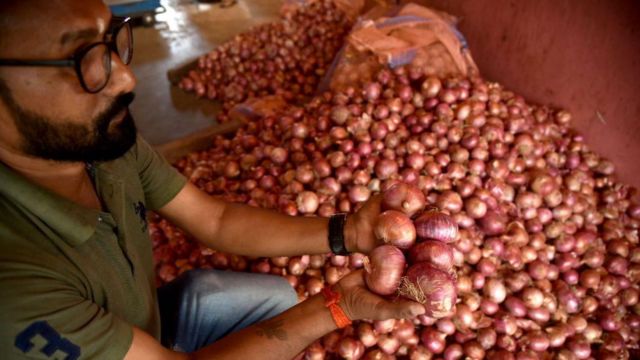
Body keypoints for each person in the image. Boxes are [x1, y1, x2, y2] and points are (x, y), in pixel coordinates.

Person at [0, 1, 425, 359]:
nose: (128, 78)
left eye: (111, 41)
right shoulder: (14, 289)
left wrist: (348, 232)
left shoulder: (102, 146)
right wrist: (339, 306)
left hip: (147, 328)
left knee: (275, 298)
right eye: (83, 58)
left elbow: (216, 219)